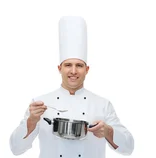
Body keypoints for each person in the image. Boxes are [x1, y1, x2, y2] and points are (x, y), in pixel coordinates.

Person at [9, 16, 134, 158]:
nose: (73, 71)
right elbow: (15, 149)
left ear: (87, 69)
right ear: (59, 68)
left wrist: (108, 131)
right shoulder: (40, 103)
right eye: (68, 65)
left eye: (79, 65)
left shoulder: (102, 104)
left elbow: (128, 148)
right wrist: (31, 121)